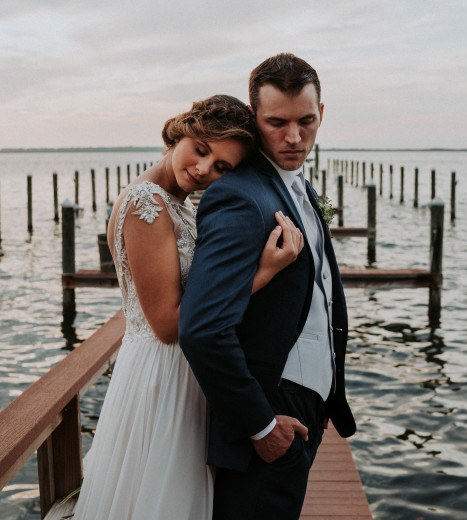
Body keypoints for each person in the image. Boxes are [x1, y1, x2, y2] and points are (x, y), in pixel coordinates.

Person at [74, 94, 304, 520]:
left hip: (183, 372)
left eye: (221, 168)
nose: (203, 170)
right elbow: (166, 323)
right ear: (181, 131)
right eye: (201, 150)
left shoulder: (175, 202)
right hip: (162, 374)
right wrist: (263, 273)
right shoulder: (147, 205)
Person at [179, 53, 356, 520]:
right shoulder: (238, 196)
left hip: (307, 403)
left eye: (306, 121)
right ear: (254, 119)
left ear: (322, 115)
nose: (294, 137)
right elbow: (202, 329)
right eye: (277, 122)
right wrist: (259, 426)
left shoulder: (297, 185)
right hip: (271, 411)